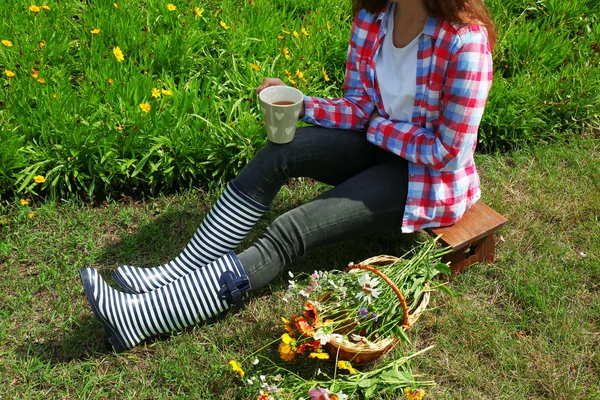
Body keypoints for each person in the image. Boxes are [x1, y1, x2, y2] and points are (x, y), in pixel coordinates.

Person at [80, 0, 496, 352]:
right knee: (281, 151)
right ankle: (174, 274)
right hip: (378, 144)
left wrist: (377, 128)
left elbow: (449, 151)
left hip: (425, 179)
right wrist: (302, 106)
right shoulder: (376, 15)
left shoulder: (465, 42)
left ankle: (143, 317)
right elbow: (359, 104)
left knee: (292, 228)